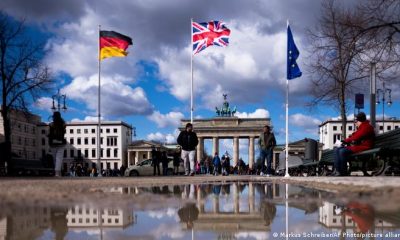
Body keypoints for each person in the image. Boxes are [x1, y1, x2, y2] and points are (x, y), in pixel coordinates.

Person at [333, 112, 375, 176]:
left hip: (365, 147)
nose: (355, 123)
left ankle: (343, 172)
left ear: (359, 121)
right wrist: (346, 140)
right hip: (360, 146)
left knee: (342, 151)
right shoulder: (362, 126)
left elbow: (357, 137)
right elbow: (355, 136)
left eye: (356, 122)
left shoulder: (366, 127)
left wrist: (344, 141)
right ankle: (337, 171)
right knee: (337, 149)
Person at [48, 111, 66, 177]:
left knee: (55, 158)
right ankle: (58, 173)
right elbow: (64, 131)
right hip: (61, 142)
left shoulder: (51, 124)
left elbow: (48, 134)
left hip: (53, 143)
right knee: (59, 158)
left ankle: (57, 172)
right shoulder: (63, 124)